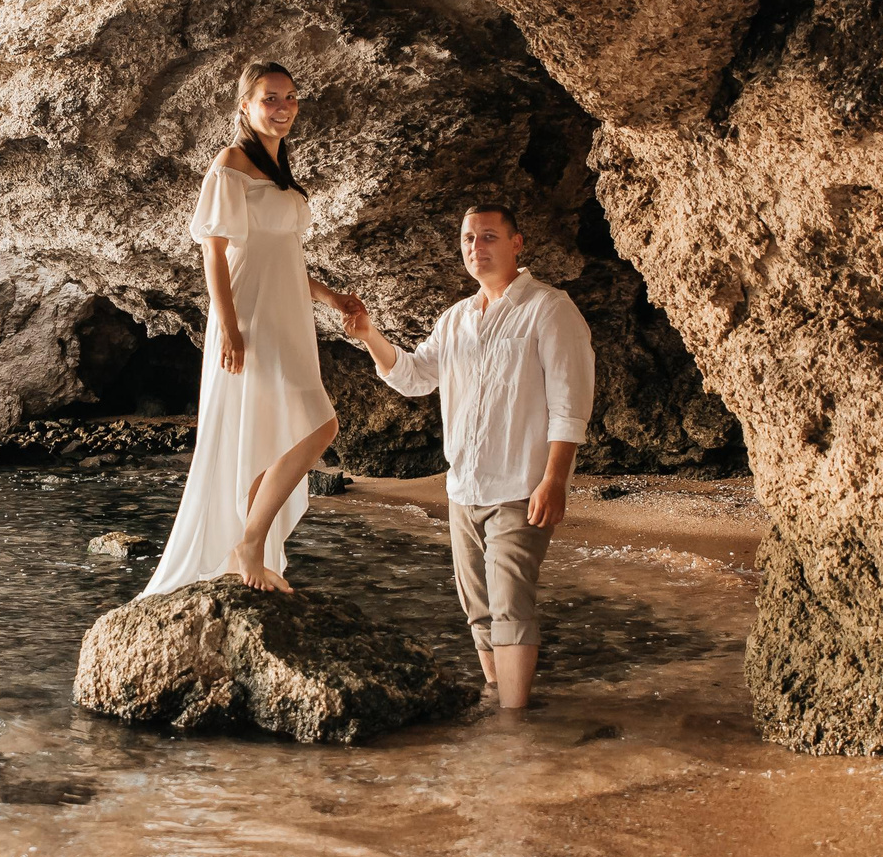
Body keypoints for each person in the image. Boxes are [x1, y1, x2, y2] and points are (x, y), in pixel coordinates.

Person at [344, 204, 594, 709]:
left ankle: (514, 726)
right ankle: (496, 698)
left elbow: (571, 404)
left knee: (510, 604)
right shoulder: (456, 319)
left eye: (488, 237)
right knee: (477, 607)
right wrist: (370, 334)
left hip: (521, 486)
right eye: (467, 239)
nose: (476, 248)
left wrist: (555, 480)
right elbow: (414, 376)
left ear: (516, 243)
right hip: (463, 489)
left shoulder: (548, 308)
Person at [144, 61, 365, 595]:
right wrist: (230, 327)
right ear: (244, 105)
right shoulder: (229, 163)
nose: (283, 107)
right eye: (270, 98)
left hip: (288, 309)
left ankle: (255, 548)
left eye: (290, 97)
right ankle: (250, 541)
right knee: (319, 424)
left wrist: (332, 296)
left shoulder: (282, 169)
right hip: (248, 311)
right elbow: (214, 254)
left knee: (272, 430)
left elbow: (286, 255)